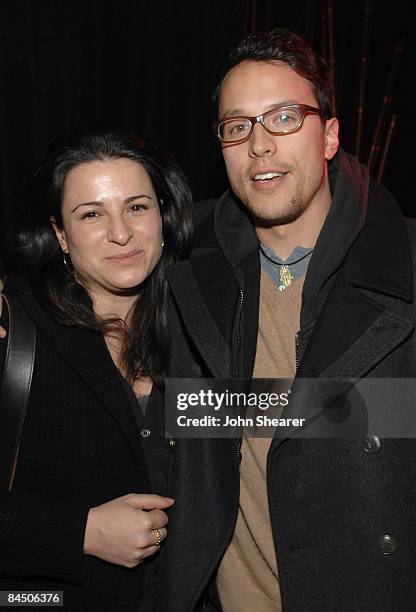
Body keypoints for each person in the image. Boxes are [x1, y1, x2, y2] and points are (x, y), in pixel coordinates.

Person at [158, 28, 416, 611]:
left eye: (282, 118)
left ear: (329, 135)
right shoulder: (185, 266)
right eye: (237, 126)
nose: (259, 145)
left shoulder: (403, 265)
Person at [0, 129, 193, 610]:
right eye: (92, 214)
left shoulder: (200, 331)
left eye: (137, 207)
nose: (121, 233)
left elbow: (285, 416)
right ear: (60, 234)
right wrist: (78, 532)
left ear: (163, 216)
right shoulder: (17, 334)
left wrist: (389, 408)